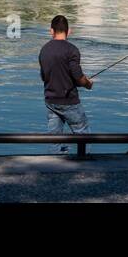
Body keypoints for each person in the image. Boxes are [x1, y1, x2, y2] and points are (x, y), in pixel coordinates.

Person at [39, 15, 93, 154]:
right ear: (69, 31)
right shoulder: (72, 50)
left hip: (51, 101)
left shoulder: (44, 50)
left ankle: (56, 168)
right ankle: (84, 165)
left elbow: (44, 76)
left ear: (51, 31)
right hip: (70, 101)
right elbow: (78, 78)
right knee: (83, 136)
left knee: (54, 140)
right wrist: (88, 83)